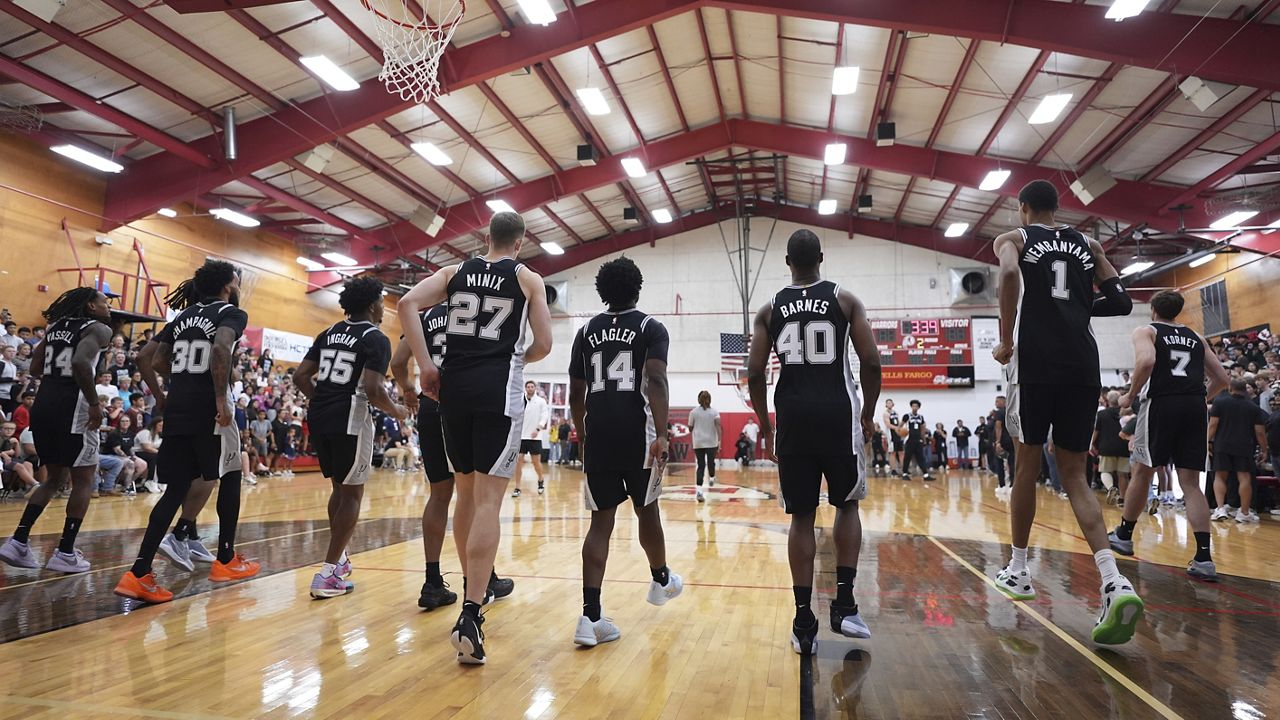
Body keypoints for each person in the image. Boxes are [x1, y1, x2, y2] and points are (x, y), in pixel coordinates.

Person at [990, 179, 1142, 645]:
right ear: (1058, 209)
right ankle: (1113, 580)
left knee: (1027, 463)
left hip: (1036, 363)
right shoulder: (1089, 243)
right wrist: (1077, 307)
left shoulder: (1013, 239)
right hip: (1083, 363)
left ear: (1022, 209)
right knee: (1075, 473)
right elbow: (1121, 301)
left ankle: (1018, 570)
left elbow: (1010, 275)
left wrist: (1006, 336)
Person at [398, 210, 552, 665]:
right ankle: (470, 612)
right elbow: (543, 343)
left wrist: (426, 365)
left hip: (452, 390)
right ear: (519, 243)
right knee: (488, 501)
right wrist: (514, 356)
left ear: (486, 237)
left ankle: (474, 591)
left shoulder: (453, 271)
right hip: (497, 392)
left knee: (464, 493)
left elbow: (406, 304)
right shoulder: (527, 279)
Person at [746, 229, 882, 655]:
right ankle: (843, 603)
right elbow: (872, 362)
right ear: (821, 258)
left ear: (787, 262)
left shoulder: (769, 309)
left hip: (792, 417)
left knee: (801, 517)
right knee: (847, 504)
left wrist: (766, 425)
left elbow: (753, 373)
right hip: (838, 414)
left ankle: (804, 620)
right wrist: (868, 413)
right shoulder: (845, 300)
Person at [114, 260, 260, 603]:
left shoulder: (182, 316)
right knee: (233, 471)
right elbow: (222, 347)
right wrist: (221, 397)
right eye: (237, 281)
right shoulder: (230, 312)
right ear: (228, 285)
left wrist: (165, 394)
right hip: (208, 409)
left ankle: (139, 573)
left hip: (178, 407)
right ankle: (225, 559)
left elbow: (153, 359)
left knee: (175, 489)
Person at [568, 256, 683, 647]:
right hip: (637, 434)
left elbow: (576, 393)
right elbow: (656, 378)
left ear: (603, 292)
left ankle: (590, 617)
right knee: (646, 511)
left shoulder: (585, 332)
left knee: (600, 523)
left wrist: (583, 436)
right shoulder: (651, 327)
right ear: (638, 288)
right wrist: (663, 433)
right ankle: (661, 578)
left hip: (598, 433)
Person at [294, 277, 408, 599]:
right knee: (353, 494)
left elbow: (300, 376)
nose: (383, 309)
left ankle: (340, 558)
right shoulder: (376, 338)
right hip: (351, 418)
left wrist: (322, 400)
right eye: (381, 302)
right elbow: (373, 391)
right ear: (372, 305)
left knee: (339, 490)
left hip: (319, 416)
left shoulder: (327, 333)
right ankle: (328, 573)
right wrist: (397, 411)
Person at [1108, 290, 1229, 578]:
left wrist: (1130, 395)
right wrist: (1201, 399)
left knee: (1143, 471)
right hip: (1193, 406)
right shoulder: (1196, 338)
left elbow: (1147, 361)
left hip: (1161, 404)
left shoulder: (1146, 330)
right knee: (1190, 483)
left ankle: (1124, 534)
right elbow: (1222, 379)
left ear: (1152, 310)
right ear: (1178, 311)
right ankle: (1203, 558)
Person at [0, 287, 112, 574]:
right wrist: (93, 403)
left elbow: (35, 367)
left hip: (44, 405)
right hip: (73, 410)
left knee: (53, 480)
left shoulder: (56, 327)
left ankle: (18, 541)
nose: (109, 307)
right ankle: (65, 551)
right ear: (90, 306)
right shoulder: (99, 329)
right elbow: (79, 363)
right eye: (105, 303)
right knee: (84, 478)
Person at [1208, 378, 1270, 523]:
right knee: (1244, 478)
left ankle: (1220, 509)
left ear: (1230, 389)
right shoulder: (1253, 407)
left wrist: (1207, 441)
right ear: (1245, 390)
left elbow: (1213, 425)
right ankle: (1244, 512)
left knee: (1220, 477)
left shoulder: (1220, 402)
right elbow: (1260, 432)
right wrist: (1264, 449)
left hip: (1222, 445)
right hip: (1244, 446)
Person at [512, 381, 549, 497]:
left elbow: (544, 416)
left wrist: (538, 429)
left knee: (535, 462)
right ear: (525, 388)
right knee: (518, 462)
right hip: (521, 437)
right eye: (528, 386)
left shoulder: (541, 402)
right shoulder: (520, 401)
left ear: (535, 388)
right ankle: (517, 487)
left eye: (532, 386)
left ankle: (541, 480)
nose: (530, 388)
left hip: (535, 438)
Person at [1092, 391, 1130, 504]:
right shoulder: (1126, 413)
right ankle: (1123, 499)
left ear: (1108, 400)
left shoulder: (1102, 414)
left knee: (1105, 471)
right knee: (1122, 474)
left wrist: (1091, 444)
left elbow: (1096, 431)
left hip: (1106, 447)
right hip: (1124, 446)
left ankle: (1111, 488)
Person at [688, 391, 720, 502]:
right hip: (712, 442)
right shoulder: (715, 412)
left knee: (700, 466)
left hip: (698, 442)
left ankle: (699, 492)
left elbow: (690, 428)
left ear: (698, 399)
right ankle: (712, 477)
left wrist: (697, 428)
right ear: (710, 399)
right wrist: (719, 440)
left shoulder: (693, 412)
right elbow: (718, 427)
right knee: (711, 463)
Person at [899, 400, 932, 481]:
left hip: (918, 440)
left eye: (916, 406)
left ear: (918, 407)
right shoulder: (907, 416)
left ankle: (925, 474)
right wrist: (901, 434)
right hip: (909, 439)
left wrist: (923, 439)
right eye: (913, 406)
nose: (914, 407)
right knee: (907, 457)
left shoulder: (921, 417)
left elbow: (923, 429)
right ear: (911, 407)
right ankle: (905, 473)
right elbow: (899, 426)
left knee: (921, 457)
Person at [881, 399, 903, 474]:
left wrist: (901, 428)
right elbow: (888, 424)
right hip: (891, 435)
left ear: (893, 404)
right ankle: (893, 470)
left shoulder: (895, 413)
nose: (889, 404)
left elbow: (899, 422)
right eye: (888, 403)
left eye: (890, 403)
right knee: (892, 452)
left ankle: (903, 469)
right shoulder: (886, 413)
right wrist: (897, 428)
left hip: (898, 434)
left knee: (901, 452)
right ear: (886, 405)